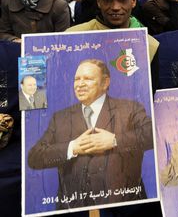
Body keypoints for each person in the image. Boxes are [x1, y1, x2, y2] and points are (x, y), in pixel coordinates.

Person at [27, 59, 153, 209]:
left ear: (105, 83)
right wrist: (72, 147)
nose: (80, 84)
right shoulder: (60, 118)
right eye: (76, 79)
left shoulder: (130, 109)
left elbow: (152, 134)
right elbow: (34, 158)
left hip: (124, 208)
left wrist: (115, 141)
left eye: (87, 79)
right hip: (74, 209)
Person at [66, 0, 160, 91]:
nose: (115, 6)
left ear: (133, 1)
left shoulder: (149, 46)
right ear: (98, 1)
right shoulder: (72, 38)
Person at [0, 0, 70, 42]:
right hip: (16, 51)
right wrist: (15, 40)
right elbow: (2, 33)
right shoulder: (8, 0)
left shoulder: (59, 6)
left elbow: (62, 42)